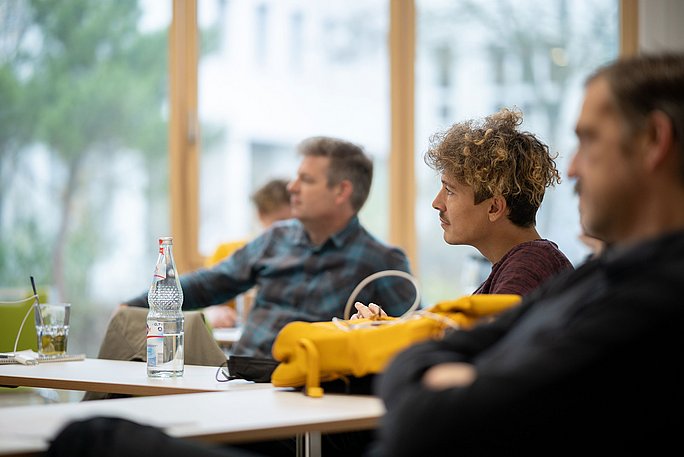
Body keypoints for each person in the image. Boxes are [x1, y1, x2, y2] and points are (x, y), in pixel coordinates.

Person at [367, 53, 684, 455]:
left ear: (654, 140)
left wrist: (434, 371)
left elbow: (429, 422)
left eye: (589, 139)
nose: (571, 169)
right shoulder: (599, 273)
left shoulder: (649, 298)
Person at [121, 136, 417, 359]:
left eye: (306, 180)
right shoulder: (277, 238)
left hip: (306, 398)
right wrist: (133, 305)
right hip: (240, 377)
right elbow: (210, 283)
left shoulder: (382, 261)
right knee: (129, 357)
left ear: (342, 191)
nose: (292, 188)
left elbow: (416, 334)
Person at [353, 108, 572, 319]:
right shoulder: (520, 265)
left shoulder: (528, 267)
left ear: (494, 207)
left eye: (449, 191)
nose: (437, 203)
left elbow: (484, 351)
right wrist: (385, 328)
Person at [202, 178, 293, 328]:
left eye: (295, 222)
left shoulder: (300, 256)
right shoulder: (228, 252)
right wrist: (212, 312)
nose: (288, 230)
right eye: (281, 222)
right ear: (261, 215)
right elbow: (206, 303)